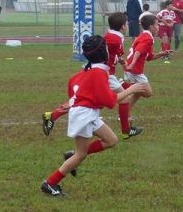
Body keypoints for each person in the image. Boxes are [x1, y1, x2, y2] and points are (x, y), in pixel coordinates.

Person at [40, 35, 149, 197]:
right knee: (81, 154)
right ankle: (50, 183)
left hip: (87, 113)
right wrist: (132, 89)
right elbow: (111, 102)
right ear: (102, 53)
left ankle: (71, 156)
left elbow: (73, 86)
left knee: (111, 140)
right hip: (84, 115)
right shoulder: (98, 73)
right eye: (106, 48)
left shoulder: (89, 71)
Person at [41, 13, 143, 140]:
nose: (127, 25)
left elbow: (110, 51)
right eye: (126, 24)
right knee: (123, 98)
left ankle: (52, 116)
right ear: (123, 26)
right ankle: (126, 130)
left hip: (100, 71)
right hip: (103, 74)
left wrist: (120, 60)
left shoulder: (115, 36)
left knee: (80, 99)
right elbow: (101, 47)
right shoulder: (114, 38)